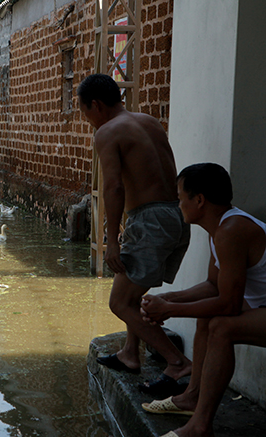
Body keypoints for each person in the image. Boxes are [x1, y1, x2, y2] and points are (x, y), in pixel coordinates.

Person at [77, 73, 192, 392]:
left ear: (96, 106)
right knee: (132, 291)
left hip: (150, 219)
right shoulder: (148, 121)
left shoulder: (107, 131)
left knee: (120, 303)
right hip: (176, 214)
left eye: (85, 113)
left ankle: (178, 363)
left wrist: (110, 241)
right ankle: (130, 353)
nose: (88, 121)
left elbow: (113, 187)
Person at [141, 163, 266, 437]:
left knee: (221, 327)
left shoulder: (231, 231)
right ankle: (192, 397)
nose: (178, 203)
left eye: (180, 196)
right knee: (208, 318)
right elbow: (213, 286)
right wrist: (167, 298)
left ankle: (199, 428)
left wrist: (170, 310)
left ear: (199, 200)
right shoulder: (220, 228)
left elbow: (230, 306)